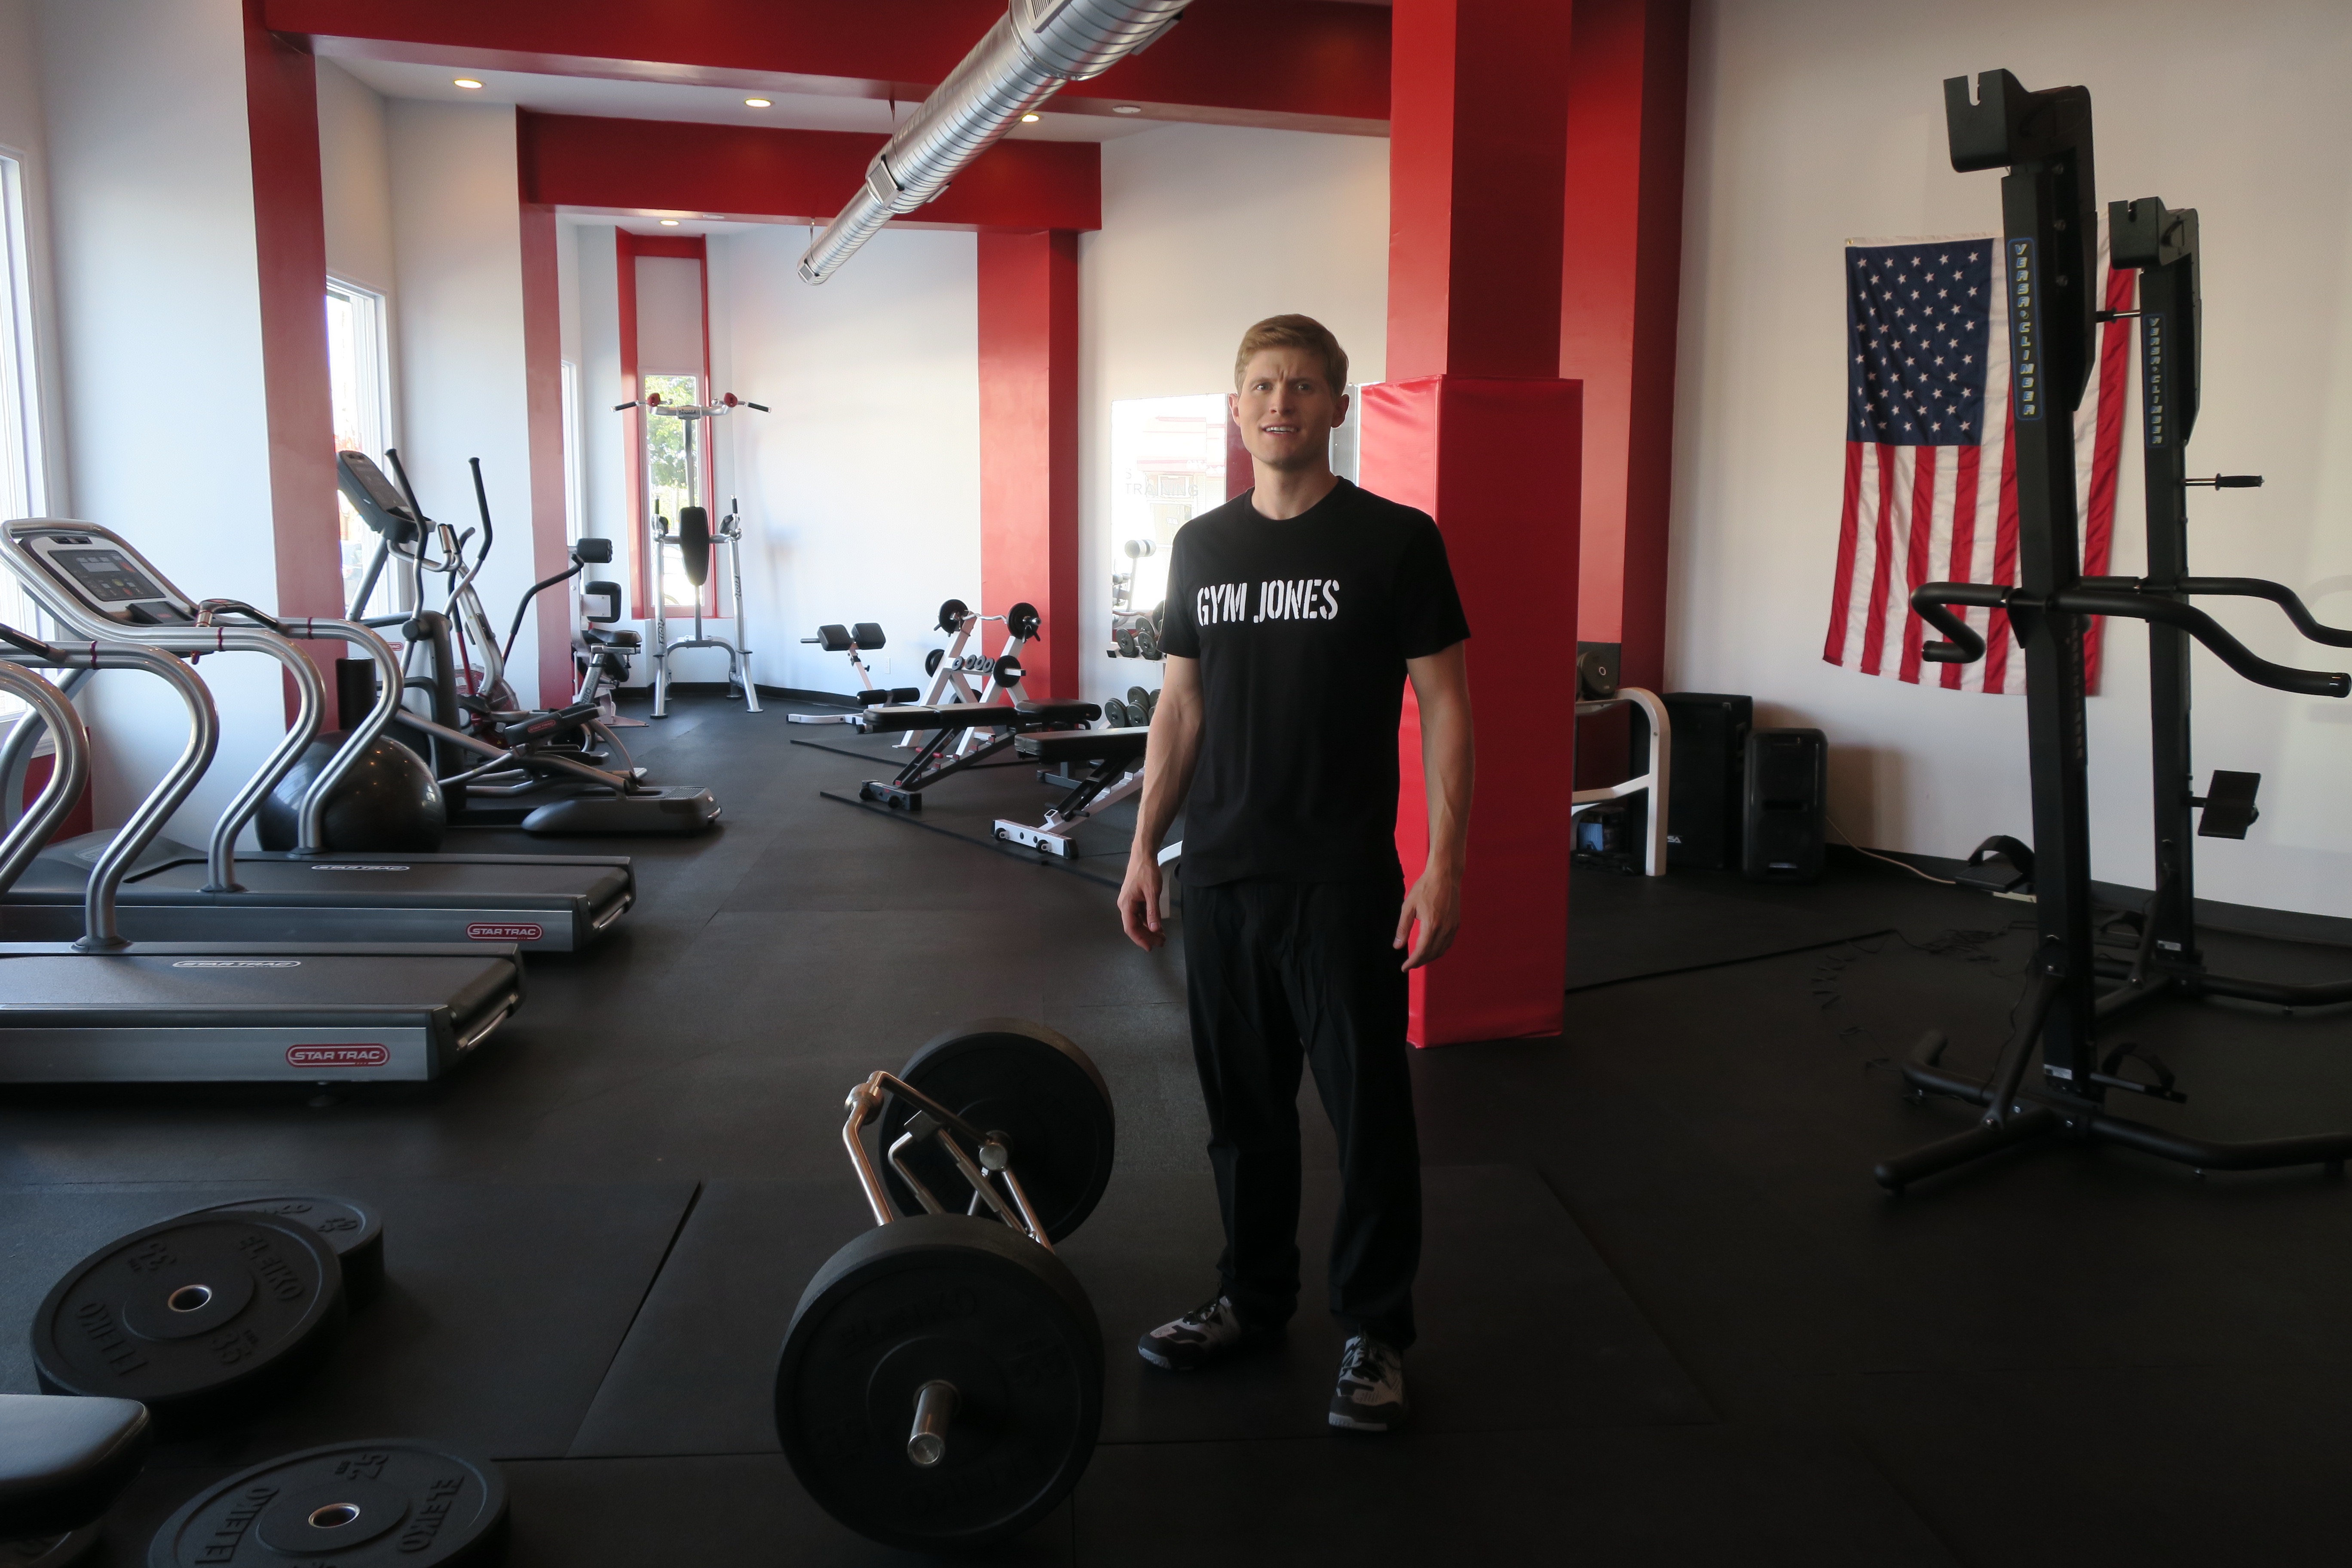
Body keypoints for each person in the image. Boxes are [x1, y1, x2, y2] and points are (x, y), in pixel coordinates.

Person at [1117, 313, 1474, 1433]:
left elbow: (1446, 706)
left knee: (1369, 1119)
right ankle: (1251, 1297)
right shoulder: (1201, 547)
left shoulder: (1395, 541)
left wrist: (1444, 863)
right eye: (1265, 386)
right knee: (1243, 1115)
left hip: (1341, 879)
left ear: (1337, 407)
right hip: (1223, 874)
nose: (1282, 403)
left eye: (1305, 386)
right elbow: (1181, 707)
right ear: (1238, 409)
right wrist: (1144, 844)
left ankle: (1376, 1329)